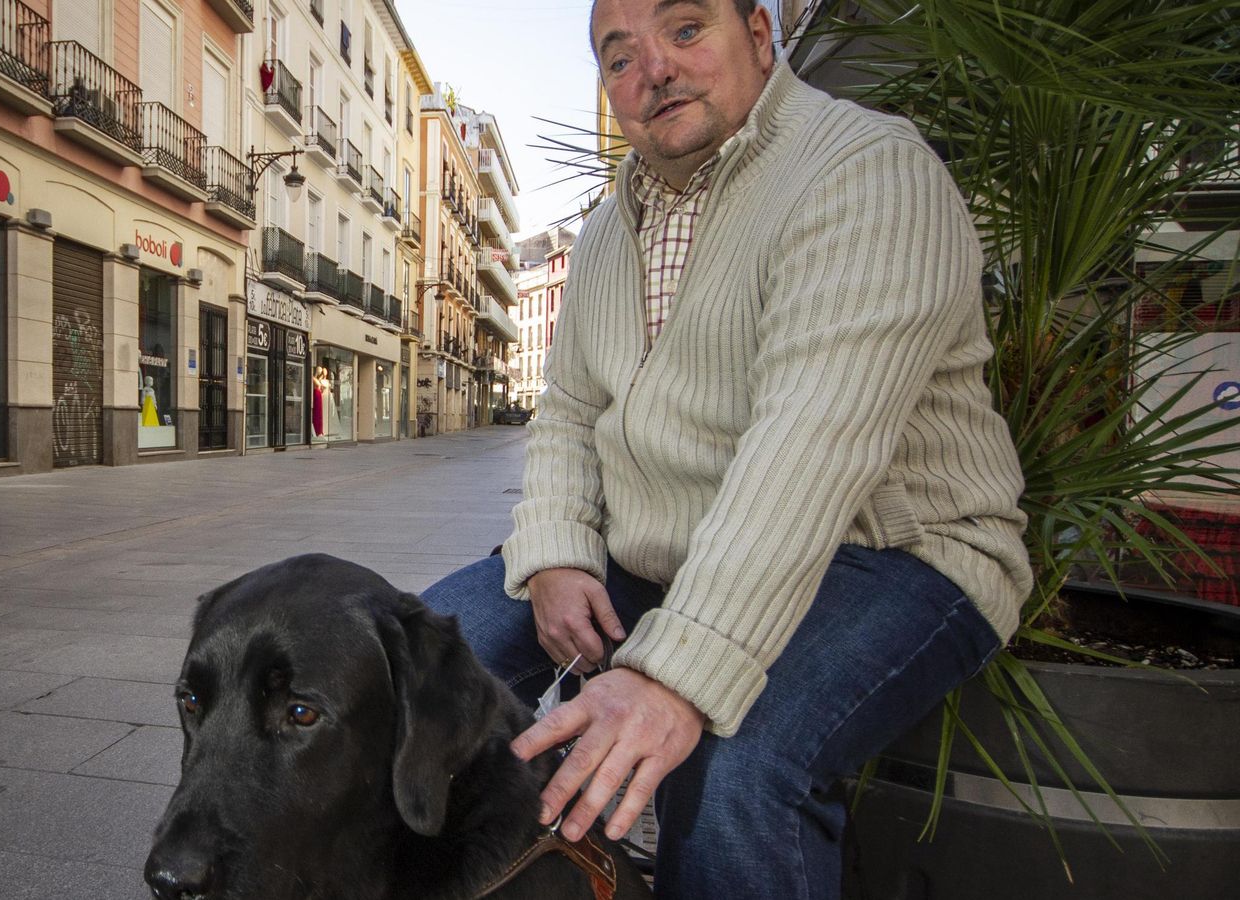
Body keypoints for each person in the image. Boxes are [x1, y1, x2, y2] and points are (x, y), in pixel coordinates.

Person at [419, 1, 1032, 898]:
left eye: (685, 29)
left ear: (759, 30)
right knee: (413, 667)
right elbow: (566, 413)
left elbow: (811, 449)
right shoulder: (603, 233)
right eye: (618, 56)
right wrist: (552, 552)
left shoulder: (867, 171)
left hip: (893, 552)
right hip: (671, 550)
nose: (653, 69)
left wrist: (674, 676)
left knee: (740, 759)